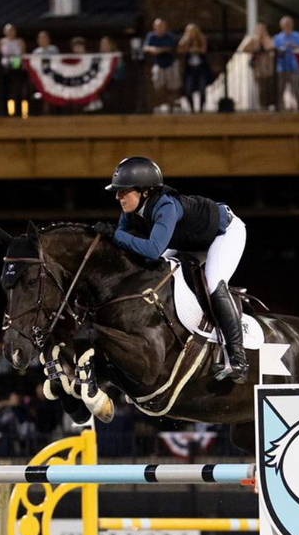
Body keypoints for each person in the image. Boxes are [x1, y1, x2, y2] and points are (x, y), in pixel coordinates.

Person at [93, 156, 248, 382]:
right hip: (187, 243)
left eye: (123, 191)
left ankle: (238, 359)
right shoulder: (129, 212)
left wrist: (115, 235)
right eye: (117, 192)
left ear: (144, 191)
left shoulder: (166, 205)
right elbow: (124, 249)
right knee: (151, 272)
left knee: (214, 282)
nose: (118, 197)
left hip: (223, 234)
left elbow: (153, 249)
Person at [144, 18, 180, 112]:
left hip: (170, 64)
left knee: (172, 87)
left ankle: (172, 107)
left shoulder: (169, 36)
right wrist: (154, 50)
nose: (160, 28)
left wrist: (160, 50)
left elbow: (171, 47)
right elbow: (146, 47)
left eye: (162, 26)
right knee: (158, 86)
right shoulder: (151, 36)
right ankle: (162, 104)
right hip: (158, 64)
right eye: (158, 26)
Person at [272, 16, 299, 110]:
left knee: (296, 90)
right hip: (281, 68)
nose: (287, 26)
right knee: (280, 90)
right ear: (281, 25)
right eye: (285, 24)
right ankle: (281, 109)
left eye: (288, 24)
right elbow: (273, 51)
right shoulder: (277, 38)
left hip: (295, 67)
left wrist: (293, 46)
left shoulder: (298, 36)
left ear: (292, 25)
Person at [239, 22, 274, 110]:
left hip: (268, 68)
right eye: (259, 29)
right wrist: (255, 41)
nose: (261, 31)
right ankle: (262, 106)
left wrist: (264, 37)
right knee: (261, 88)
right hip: (258, 69)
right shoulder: (253, 40)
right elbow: (242, 49)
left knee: (269, 87)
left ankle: (270, 105)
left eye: (262, 29)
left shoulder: (267, 39)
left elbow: (270, 48)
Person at [178, 24, 210, 113]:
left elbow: (204, 50)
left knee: (202, 89)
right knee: (188, 89)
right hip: (189, 69)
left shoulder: (201, 39)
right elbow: (180, 49)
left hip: (201, 68)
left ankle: (201, 109)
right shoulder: (186, 40)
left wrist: (196, 49)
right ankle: (191, 108)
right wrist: (186, 39)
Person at [0, 23, 28, 116]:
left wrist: (16, 63)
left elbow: (22, 54)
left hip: (16, 64)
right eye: (8, 30)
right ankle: (5, 112)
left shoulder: (20, 41)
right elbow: (1, 53)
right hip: (5, 65)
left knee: (16, 89)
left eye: (12, 30)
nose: (10, 32)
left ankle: (18, 112)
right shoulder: (2, 41)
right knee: (5, 89)